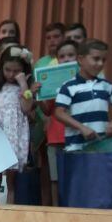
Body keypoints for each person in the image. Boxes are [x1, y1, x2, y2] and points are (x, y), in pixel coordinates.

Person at [0, 46, 37, 204]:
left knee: (12, 182)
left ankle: (8, 215)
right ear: (1, 68)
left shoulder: (25, 90)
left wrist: (23, 83)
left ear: (23, 70)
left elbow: (26, 108)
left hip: (14, 137)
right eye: (7, 70)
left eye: (16, 71)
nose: (11, 74)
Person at [54, 39, 112, 151]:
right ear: (81, 59)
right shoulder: (68, 86)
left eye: (103, 60)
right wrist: (81, 128)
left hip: (102, 146)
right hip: (76, 147)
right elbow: (59, 113)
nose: (101, 63)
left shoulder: (106, 85)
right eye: (96, 59)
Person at [41, 39, 78, 206]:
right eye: (62, 56)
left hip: (77, 136)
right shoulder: (52, 82)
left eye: (71, 55)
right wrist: (38, 94)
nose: (67, 59)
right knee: (55, 179)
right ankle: (57, 210)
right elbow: (47, 110)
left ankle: (74, 209)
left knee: (75, 177)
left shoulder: (85, 82)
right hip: (55, 136)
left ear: (79, 58)